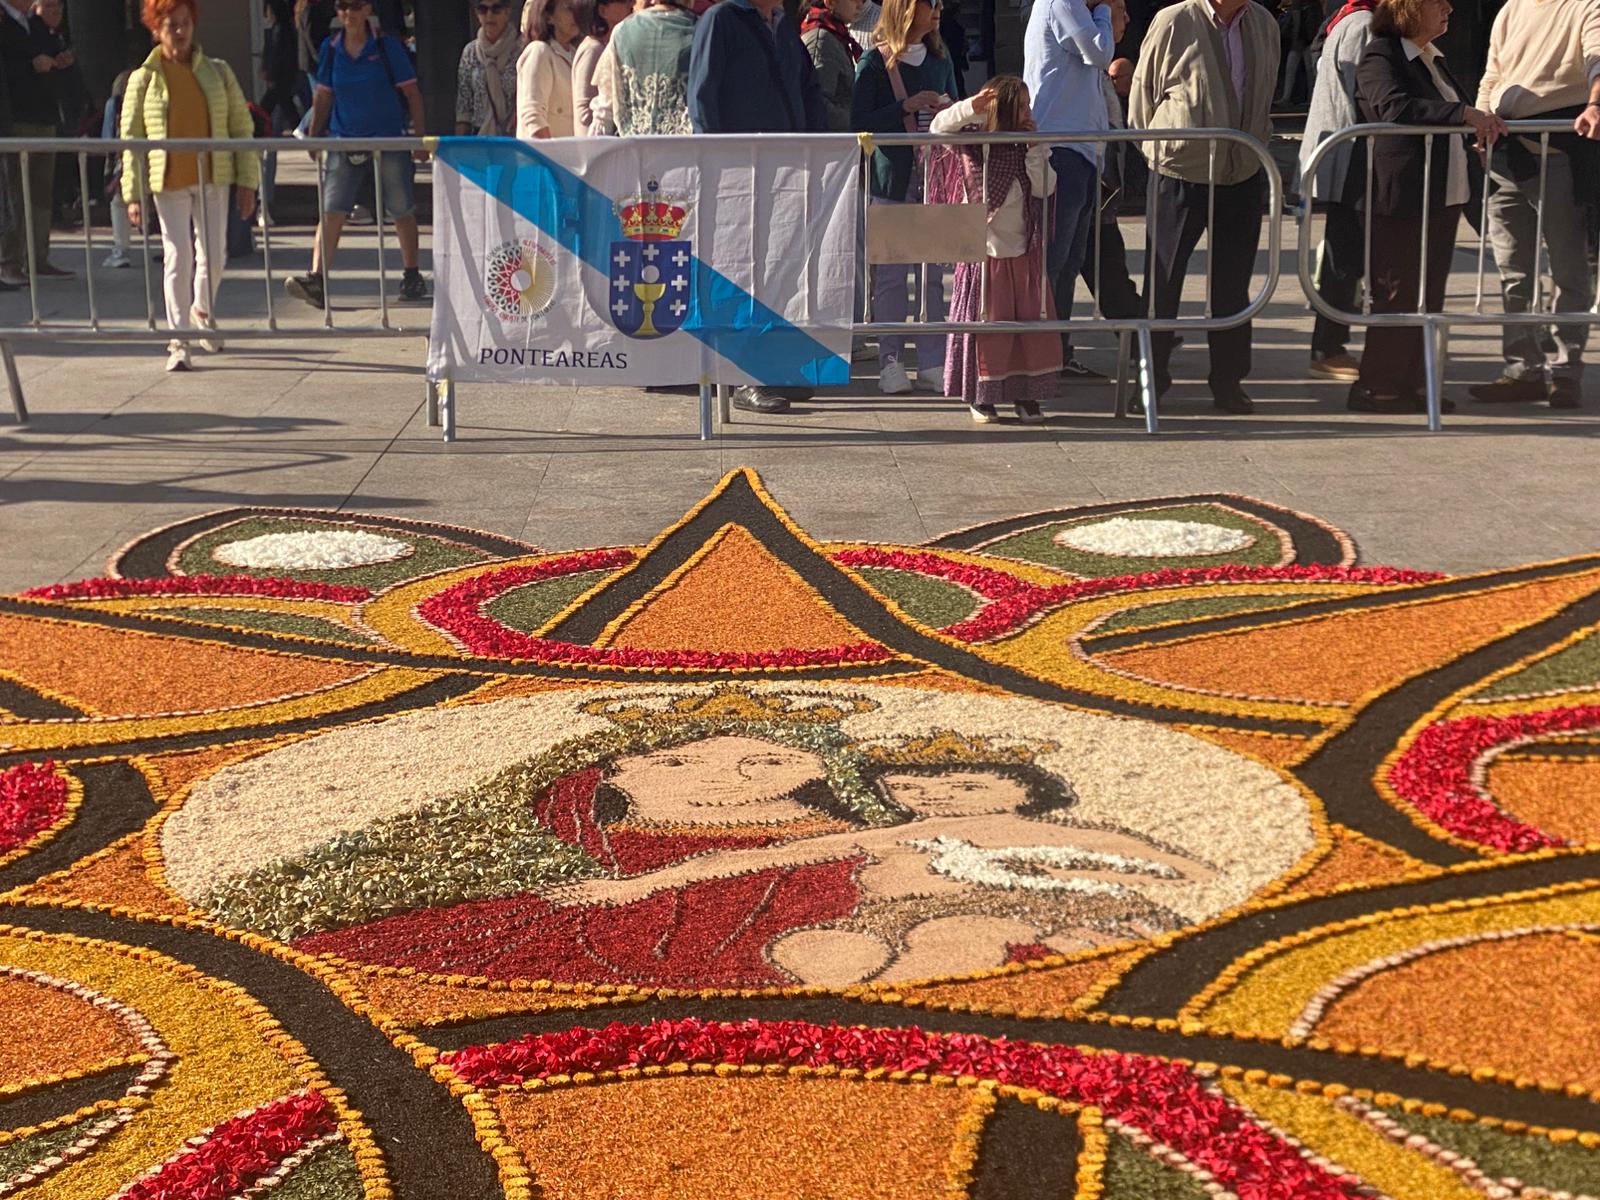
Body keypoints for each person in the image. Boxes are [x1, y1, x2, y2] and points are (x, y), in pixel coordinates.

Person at [1350, 0, 1504, 411]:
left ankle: (1415, 384)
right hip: (1400, 196)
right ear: (1410, 9)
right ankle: (1378, 387)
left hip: (1443, 195)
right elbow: (1394, 106)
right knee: (1397, 291)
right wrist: (1463, 113)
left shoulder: (1434, 59)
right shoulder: (1380, 55)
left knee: (1429, 294)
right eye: (1438, 3)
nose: (1449, 9)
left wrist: (1471, 126)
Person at [1130, 0, 1278, 415]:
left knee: (1233, 286)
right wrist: (1165, 150)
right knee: (1163, 281)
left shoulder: (1264, 23)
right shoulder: (1174, 20)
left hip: (1241, 170)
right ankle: (1150, 381)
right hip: (1180, 172)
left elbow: (1264, 89)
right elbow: (1143, 98)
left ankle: (1229, 383)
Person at [690, 0, 827, 413]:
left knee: (776, 272)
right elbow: (702, 98)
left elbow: (807, 90)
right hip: (738, 174)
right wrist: (720, 167)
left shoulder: (784, 26)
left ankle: (770, 367)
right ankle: (739, 378)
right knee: (741, 274)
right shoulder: (722, 21)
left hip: (785, 172)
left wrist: (819, 151)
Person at [1467, 0, 1600, 410]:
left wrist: (1596, 103)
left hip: (1559, 152)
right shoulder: (1511, 8)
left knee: (1568, 267)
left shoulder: (1587, 5)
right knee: (1513, 269)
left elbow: (1598, 59)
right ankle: (1522, 367)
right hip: (1506, 153)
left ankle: (1565, 370)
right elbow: (1494, 72)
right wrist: (1482, 120)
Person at [120, 0, 259, 373]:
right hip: (168, 178)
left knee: (215, 253)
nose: (180, 32)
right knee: (178, 256)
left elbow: (241, 127)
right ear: (156, 29)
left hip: (214, 174)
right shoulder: (144, 78)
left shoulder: (218, 71)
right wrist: (132, 193)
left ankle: (203, 311)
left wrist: (248, 181)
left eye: (185, 24)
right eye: (171, 25)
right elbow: (131, 138)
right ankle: (179, 340)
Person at [932, 77, 1060, 424]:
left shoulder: (1027, 145)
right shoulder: (974, 143)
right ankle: (982, 396)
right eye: (1019, 105)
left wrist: (1034, 148)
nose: (1026, 112)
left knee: (1026, 329)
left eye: (1027, 104)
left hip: (1022, 252)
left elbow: (1045, 186)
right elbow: (938, 128)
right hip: (985, 255)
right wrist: (971, 106)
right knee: (989, 329)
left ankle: (1026, 395)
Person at [286, 0, 428, 310]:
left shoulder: (387, 47)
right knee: (331, 209)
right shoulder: (332, 48)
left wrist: (418, 138)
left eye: (354, 6)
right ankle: (317, 278)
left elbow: (412, 93)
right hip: (344, 139)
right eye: (342, 6)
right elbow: (323, 94)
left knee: (401, 207)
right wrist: (314, 135)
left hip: (387, 140)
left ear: (367, 10)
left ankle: (412, 274)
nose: (347, 13)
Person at [852, 0, 957, 398]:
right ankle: (890, 361)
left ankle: (932, 360)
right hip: (892, 181)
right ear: (906, 11)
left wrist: (950, 110)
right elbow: (859, 120)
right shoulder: (875, 62)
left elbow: (957, 112)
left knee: (931, 277)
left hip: (933, 179)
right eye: (930, 4)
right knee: (892, 279)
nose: (938, 10)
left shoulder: (939, 59)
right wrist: (905, 107)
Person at [1022, 0, 1113, 378]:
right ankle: (1039, 356)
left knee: (1070, 262)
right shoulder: (1064, 2)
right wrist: (1105, 12)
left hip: (1082, 151)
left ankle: (1057, 351)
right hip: (1060, 150)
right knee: (1053, 261)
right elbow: (1099, 53)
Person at [1297, 0, 1376, 384]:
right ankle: (1328, 345)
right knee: (1342, 258)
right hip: (1351, 157)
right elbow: (1366, 94)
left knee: (1344, 256)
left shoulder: (1354, 19)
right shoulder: (1362, 23)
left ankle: (1331, 342)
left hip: (1351, 154)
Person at [0, 0, 70, 283]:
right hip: (15, 117)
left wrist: (61, 58)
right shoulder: (4, 21)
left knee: (41, 193)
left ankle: (37, 257)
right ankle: (9, 261)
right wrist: (30, 65)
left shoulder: (36, 23)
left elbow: (51, 51)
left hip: (44, 114)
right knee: (15, 191)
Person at [592, 0, 698, 136]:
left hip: (632, 148)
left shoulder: (622, 30)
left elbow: (605, 107)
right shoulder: (701, 30)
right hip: (683, 149)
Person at [455, 0, 522, 136]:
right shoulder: (470, 52)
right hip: (480, 138)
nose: (489, 16)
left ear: (507, 12)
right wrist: (459, 149)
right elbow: (464, 106)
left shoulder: (522, 49)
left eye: (496, 9)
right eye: (483, 9)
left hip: (514, 138)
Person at [516, 0, 580, 138]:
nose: (576, 14)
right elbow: (533, 117)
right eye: (568, 8)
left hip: (572, 156)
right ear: (548, 17)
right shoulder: (540, 52)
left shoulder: (577, 55)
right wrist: (550, 154)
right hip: (543, 157)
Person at [801, 0, 863, 131]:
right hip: (829, 144)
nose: (860, 4)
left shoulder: (835, 35)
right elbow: (816, 104)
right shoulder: (822, 40)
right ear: (830, 2)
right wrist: (858, 122)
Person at [570, 0, 630, 135]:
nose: (631, 4)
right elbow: (584, 111)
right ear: (603, 11)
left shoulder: (605, 46)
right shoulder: (593, 49)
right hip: (595, 145)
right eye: (624, 1)